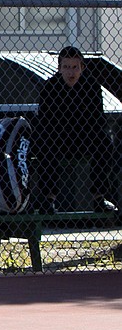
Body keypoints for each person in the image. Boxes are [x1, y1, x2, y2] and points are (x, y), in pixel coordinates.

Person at [34, 46, 117, 214]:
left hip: (85, 137)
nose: (70, 73)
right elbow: (45, 121)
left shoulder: (91, 87)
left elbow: (98, 119)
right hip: (58, 138)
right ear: (59, 68)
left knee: (104, 141)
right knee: (44, 142)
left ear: (82, 68)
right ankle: (48, 199)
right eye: (66, 67)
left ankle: (98, 198)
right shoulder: (50, 87)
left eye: (74, 67)